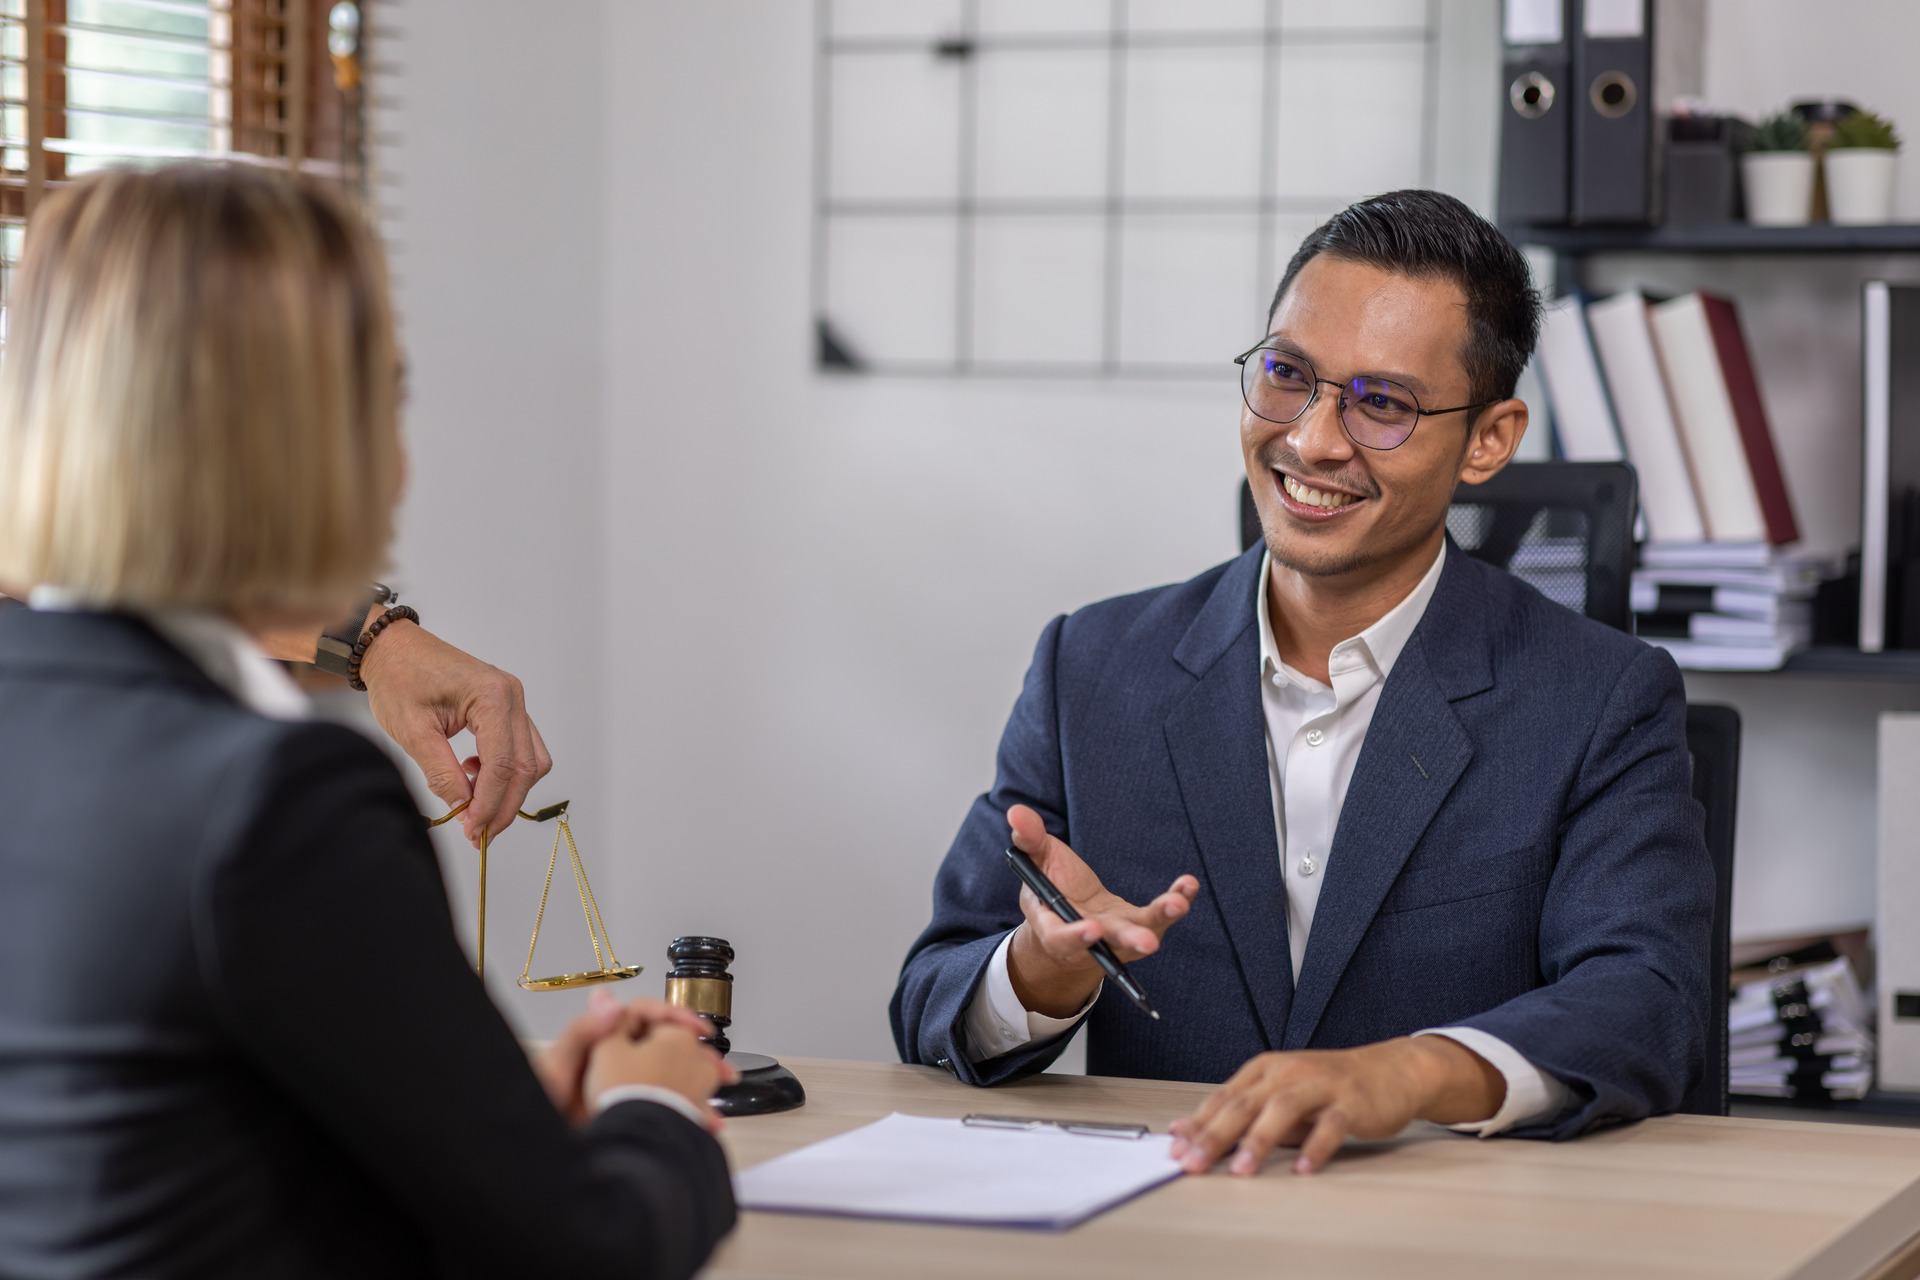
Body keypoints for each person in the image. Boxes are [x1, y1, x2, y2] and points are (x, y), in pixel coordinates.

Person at [0, 165, 737, 1278]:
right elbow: (587, 1254)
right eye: (384, 399)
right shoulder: (275, 801)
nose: (399, 467)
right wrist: (659, 1108)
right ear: (296, 443)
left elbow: (160, 1139)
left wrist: (488, 1122)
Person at [891, 190, 1712, 1178]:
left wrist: (1415, 1071)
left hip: (1445, 1226)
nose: (1314, 440)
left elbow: (1648, 1001)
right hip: (1170, 1219)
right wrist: (1039, 973)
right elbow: (929, 998)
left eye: (1383, 403)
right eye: (1287, 375)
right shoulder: (1092, 668)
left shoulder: (1601, 696)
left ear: (1489, 439)